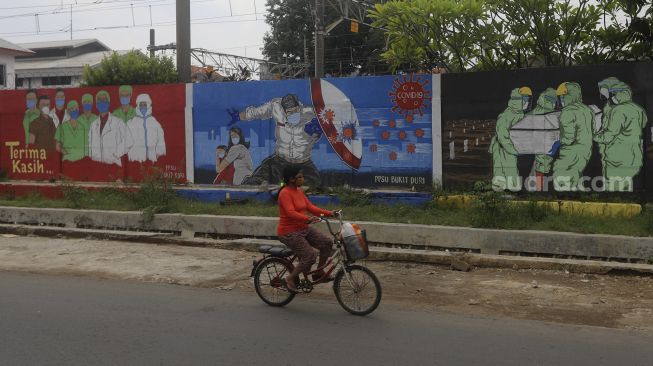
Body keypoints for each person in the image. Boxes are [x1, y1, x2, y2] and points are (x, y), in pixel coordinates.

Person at [227, 94, 323, 186]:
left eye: (296, 111)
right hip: (280, 160)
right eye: (289, 112)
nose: (293, 114)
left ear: (299, 107)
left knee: (313, 185)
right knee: (254, 182)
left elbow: (333, 125)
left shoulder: (311, 115)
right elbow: (256, 112)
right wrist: (238, 116)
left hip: (303, 163)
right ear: (284, 110)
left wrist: (318, 132)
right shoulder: (276, 107)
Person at [277, 165, 338, 293]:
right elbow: (290, 212)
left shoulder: (299, 191)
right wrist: (307, 219)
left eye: (303, 176)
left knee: (327, 243)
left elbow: (311, 208)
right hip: (289, 232)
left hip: (303, 228)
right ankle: (290, 278)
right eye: (300, 177)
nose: (303, 179)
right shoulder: (285, 193)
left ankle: (318, 272)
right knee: (310, 255)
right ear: (291, 179)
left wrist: (330, 213)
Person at [593, 81, 648, 191]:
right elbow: (643, 124)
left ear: (622, 93)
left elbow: (609, 135)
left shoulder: (618, 111)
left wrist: (594, 136)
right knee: (626, 188)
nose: (612, 97)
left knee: (615, 190)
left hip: (617, 160)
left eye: (614, 94)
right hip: (634, 157)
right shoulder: (638, 109)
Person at [552, 82, 594, 191]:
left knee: (561, 172)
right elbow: (593, 129)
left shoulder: (567, 112)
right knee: (575, 173)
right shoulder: (587, 110)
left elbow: (568, 138)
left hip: (572, 150)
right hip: (586, 149)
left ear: (567, 96)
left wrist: (557, 143)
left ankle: (566, 199)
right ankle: (580, 195)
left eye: (561, 97)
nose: (560, 100)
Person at [490, 87, 532, 191]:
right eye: (524, 99)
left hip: (509, 147)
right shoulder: (507, 115)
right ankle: (510, 190)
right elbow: (502, 135)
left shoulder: (519, 114)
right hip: (502, 147)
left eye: (528, 99)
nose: (526, 102)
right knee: (506, 169)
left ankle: (505, 190)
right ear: (518, 100)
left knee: (506, 169)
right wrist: (512, 150)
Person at [88, 90, 133, 166]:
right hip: (96, 165)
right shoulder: (93, 124)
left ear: (108, 103)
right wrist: (92, 156)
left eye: (104, 100)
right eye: (99, 100)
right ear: (96, 105)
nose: (102, 102)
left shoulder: (118, 122)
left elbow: (129, 141)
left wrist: (116, 154)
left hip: (113, 164)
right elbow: (89, 144)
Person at [528, 88, 558, 189]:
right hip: (549, 149)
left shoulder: (534, 112)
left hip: (533, 147)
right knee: (542, 168)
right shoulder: (555, 115)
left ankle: (538, 188)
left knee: (538, 168)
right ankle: (540, 189)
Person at [126, 93, 166, 162]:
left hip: (151, 159)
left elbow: (161, 139)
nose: (143, 107)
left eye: (145, 105)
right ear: (138, 106)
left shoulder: (154, 122)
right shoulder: (132, 123)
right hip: (136, 159)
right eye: (141, 105)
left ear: (148, 105)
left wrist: (158, 153)